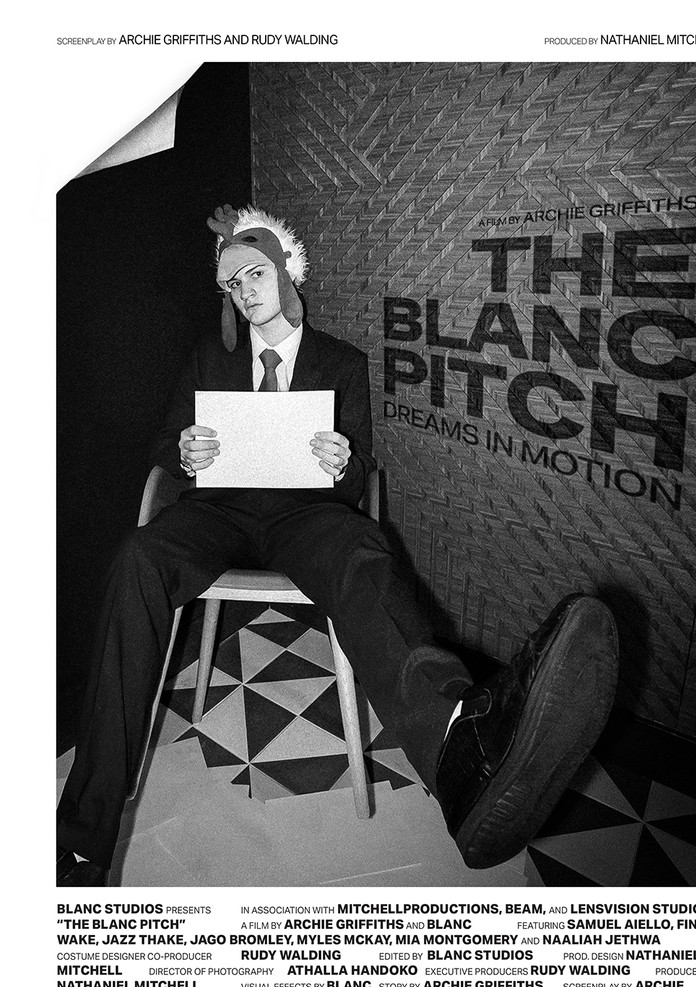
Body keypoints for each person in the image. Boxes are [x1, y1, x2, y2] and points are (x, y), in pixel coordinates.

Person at [57, 204, 619, 886]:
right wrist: (183, 451)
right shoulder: (209, 356)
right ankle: (83, 839)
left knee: (361, 550)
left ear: (286, 273)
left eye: (255, 273)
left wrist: (343, 462)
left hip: (306, 516)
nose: (245, 291)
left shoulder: (342, 362)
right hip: (217, 512)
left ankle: (459, 748)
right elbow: (164, 447)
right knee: (136, 559)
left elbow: (359, 479)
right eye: (232, 283)